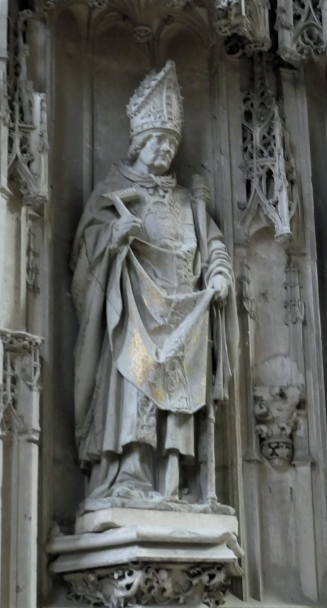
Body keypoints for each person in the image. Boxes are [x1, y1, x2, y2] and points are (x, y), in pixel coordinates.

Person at [71, 62, 238, 511]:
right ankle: (128, 475)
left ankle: (172, 483)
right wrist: (113, 240)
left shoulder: (188, 200)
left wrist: (220, 273)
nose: (165, 148)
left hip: (185, 317)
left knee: (179, 400)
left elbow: (214, 244)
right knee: (134, 389)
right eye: (157, 140)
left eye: (171, 141)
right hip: (135, 313)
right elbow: (86, 247)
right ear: (138, 142)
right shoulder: (115, 190)